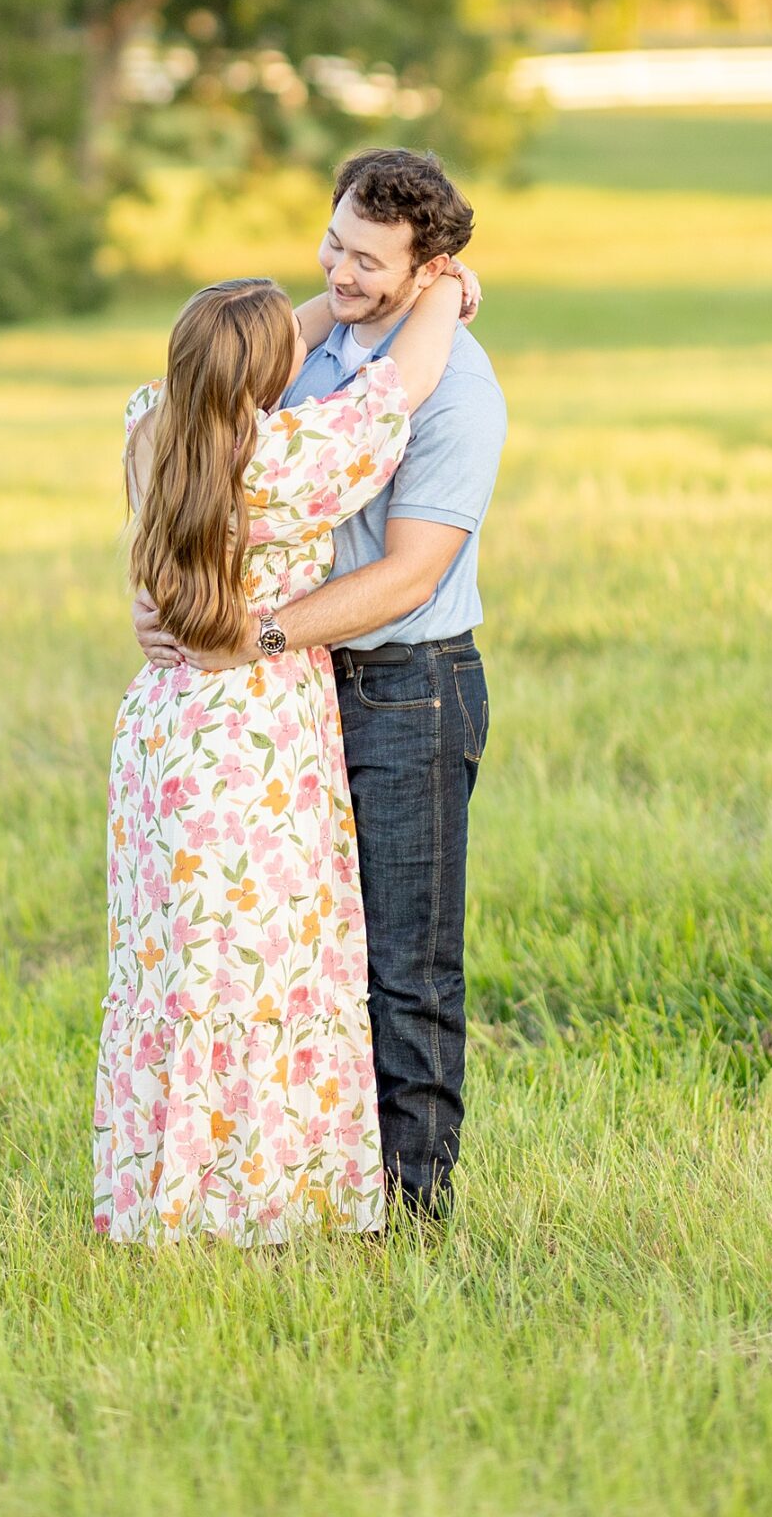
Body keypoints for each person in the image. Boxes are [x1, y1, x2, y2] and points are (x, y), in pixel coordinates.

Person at [135, 149, 507, 1221]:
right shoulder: (319, 349)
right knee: (307, 952)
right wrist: (173, 601)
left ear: (426, 266)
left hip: (405, 688)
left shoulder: (457, 395)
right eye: (331, 243)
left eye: (366, 259)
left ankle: (415, 1204)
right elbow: (235, 367)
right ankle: (319, 1180)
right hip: (290, 698)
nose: (338, 271)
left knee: (404, 961)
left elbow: (410, 573)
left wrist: (240, 630)